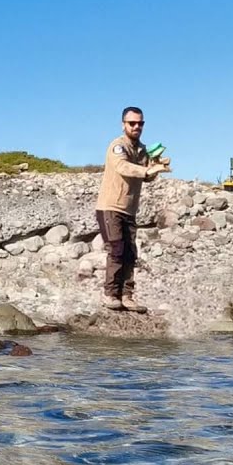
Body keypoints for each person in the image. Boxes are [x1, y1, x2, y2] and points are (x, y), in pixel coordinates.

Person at [95, 106, 170, 312]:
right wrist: (147, 171)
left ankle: (127, 295)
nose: (137, 126)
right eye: (132, 123)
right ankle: (110, 294)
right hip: (110, 206)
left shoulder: (143, 150)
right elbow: (123, 167)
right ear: (123, 125)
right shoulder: (117, 146)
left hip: (130, 210)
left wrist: (156, 167)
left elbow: (147, 176)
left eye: (140, 123)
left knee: (130, 253)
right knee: (116, 249)